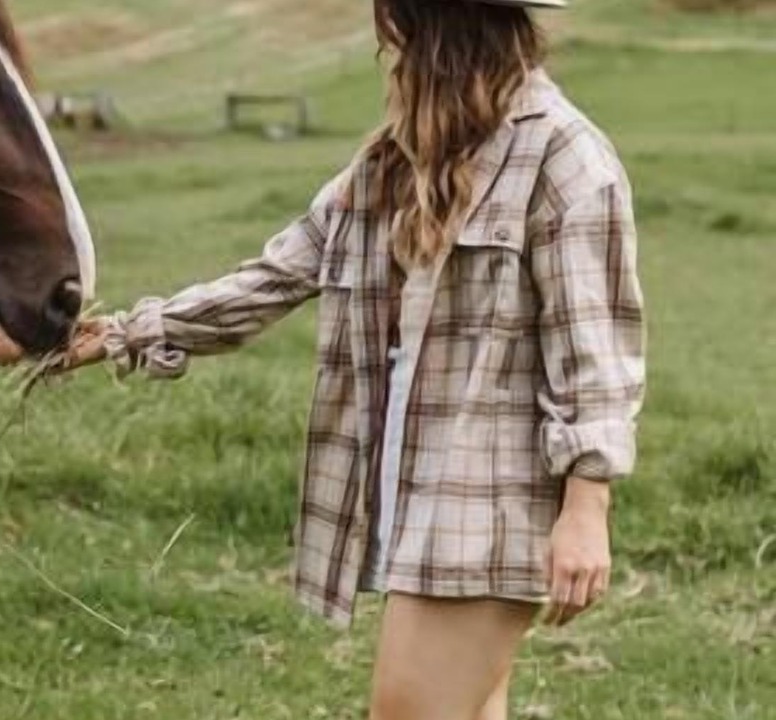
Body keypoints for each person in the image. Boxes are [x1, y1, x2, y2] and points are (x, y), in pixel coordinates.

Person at [61, 0, 646, 717]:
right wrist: (123, 333)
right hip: (408, 486)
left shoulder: (563, 156)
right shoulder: (391, 163)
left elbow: (594, 347)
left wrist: (588, 507)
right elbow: (275, 276)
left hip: (489, 508)